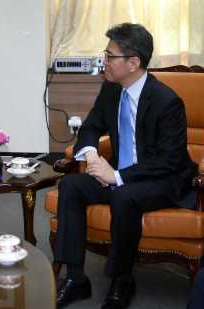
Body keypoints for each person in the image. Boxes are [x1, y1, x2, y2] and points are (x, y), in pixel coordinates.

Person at [55, 23, 197, 309]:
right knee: (71, 185)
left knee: (123, 194)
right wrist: (92, 155)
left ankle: (122, 279)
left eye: (110, 56)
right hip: (119, 173)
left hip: (162, 180)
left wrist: (117, 175)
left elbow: (167, 160)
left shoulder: (167, 102)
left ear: (133, 63)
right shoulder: (111, 89)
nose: (103, 62)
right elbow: (91, 127)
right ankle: (75, 278)